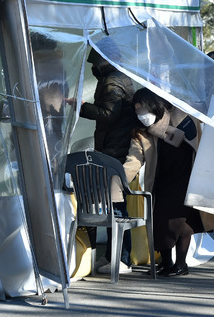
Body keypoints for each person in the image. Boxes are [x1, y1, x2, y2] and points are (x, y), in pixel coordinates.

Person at [123, 88, 206, 277]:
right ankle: (167, 263)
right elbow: (133, 160)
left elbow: (201, 139)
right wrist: (120, 180)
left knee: (180, 222)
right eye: (137, 112)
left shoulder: (182, 117)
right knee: (159, 223)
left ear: (155, 106)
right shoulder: (142, 133)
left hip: (186, 177)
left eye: (143, 110)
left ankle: (181, 264)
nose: (141, 116)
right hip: (161, 180)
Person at [68, 49, 136, 274]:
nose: (92, 68)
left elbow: (109, 115)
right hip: (115, 146)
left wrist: (81, 106)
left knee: (115, 204)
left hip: (114, 148)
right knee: (114, 203)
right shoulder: (117, 77)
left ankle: (121, 259)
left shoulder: (111, 82)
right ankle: (113, 257)